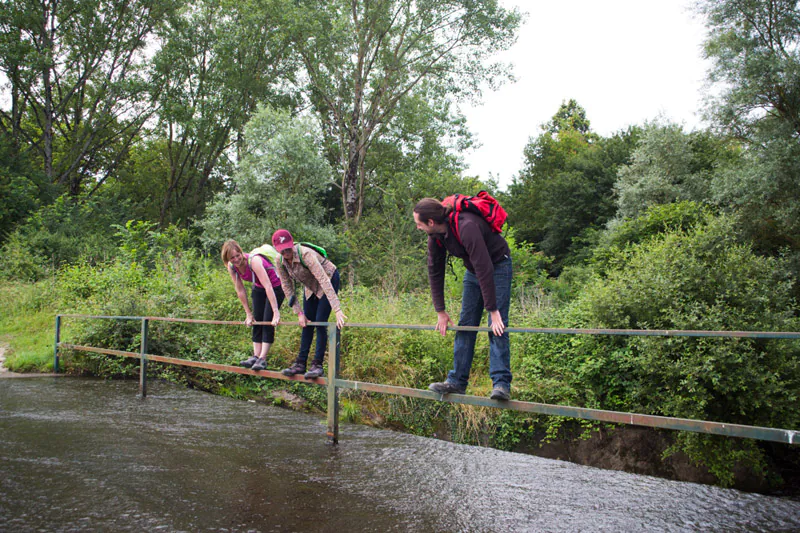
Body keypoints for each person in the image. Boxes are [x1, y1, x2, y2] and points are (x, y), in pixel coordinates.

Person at [413, 197, 513, 400]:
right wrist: (440, 311)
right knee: (466, 324)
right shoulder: (436, 237)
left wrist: (493, 310)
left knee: (497, 325)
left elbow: (485, 267)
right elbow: (434, 270)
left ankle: (501, 384)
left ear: (431, 222)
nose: (418, 228)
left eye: (419, 224)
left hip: (497, 266)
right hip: (474, 271)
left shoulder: (466, 226)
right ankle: (457, 381)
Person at [271, 229, 346, 379]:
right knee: (306, 322)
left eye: (287, 248)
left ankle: (317, 365)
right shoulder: (280, 261)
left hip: (329, 278)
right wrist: (299, 312)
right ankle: (300, 363)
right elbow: (287, 287)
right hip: (310, 287)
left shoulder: (306, 254)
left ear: (291, 244)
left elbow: (323, 279)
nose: (286, 252)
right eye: (282, 250)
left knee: (319, 322)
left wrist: (337, 309)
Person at [221, 240, 284, 371]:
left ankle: (263, 358)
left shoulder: (254, 261)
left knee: (267, 320)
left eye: (238, 255)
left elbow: (268, 286)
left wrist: (276, 311)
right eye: (232, 258)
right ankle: (255, 356)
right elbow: (240, 290)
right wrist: (248, 314)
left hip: (275, 287)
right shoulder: (232, 267)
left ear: (241, 252)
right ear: (228, 259)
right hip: (259, 287)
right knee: (256, 319)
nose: (236, 259)